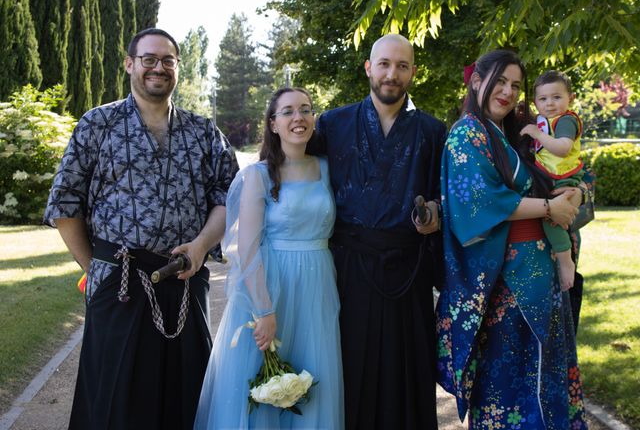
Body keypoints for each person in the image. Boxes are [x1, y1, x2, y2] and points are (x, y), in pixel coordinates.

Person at [44, 28, 238, 430]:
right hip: (119, 283)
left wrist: (201, 247)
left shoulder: (203, 132)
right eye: (148, 59)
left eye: (168, 60)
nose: (158, 67)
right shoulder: (97, 124)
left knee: (186, 392)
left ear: (177, 69)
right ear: (130, 64)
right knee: (116, 398)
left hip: (185, 276)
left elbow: (227, 199)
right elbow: (64, 204)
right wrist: (95, 267)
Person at [435, 49, 588, 429]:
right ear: (475, 81)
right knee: (510, 387)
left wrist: (578, 194)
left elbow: (569, 172)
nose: (508, 91)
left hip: (542, 272)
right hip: (506, 280)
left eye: (516, 85)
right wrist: (549, 210)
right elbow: (479, 202)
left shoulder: (517, 131)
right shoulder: (467, 132)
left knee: (547, 374)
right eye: (500, 81)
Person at [308, 33, 447, 429]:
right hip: (349, 268)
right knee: (351, 367)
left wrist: (434, 214)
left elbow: (444, 197)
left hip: (409, 268)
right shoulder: (333, 124)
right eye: (384, 64)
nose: (392, 74)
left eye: (402, 66)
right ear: (368, 67)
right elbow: (300, 176)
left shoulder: (433, 132)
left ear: (413, 73)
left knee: (408, 370)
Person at [193, 88, 344, 429]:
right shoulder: (258, 176)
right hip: (271, 285)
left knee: (315, 375)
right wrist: (263, 309)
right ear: (273, 124)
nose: (298, 118)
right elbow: (246, 248)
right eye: (288, 112)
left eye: (305, 110)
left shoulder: (327, 169)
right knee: (262, 386)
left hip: (318, 284)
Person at [520, 70, 586, 291]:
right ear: (535, 102)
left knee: (552, 217)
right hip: (552, 176)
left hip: (563, 177)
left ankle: (565, 259)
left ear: (571, 98)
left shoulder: (565, 120)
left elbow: (563, 148)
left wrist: (536, 135)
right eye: (543, 99)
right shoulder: (544, 121)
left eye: (556, 97)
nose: (549, 104)